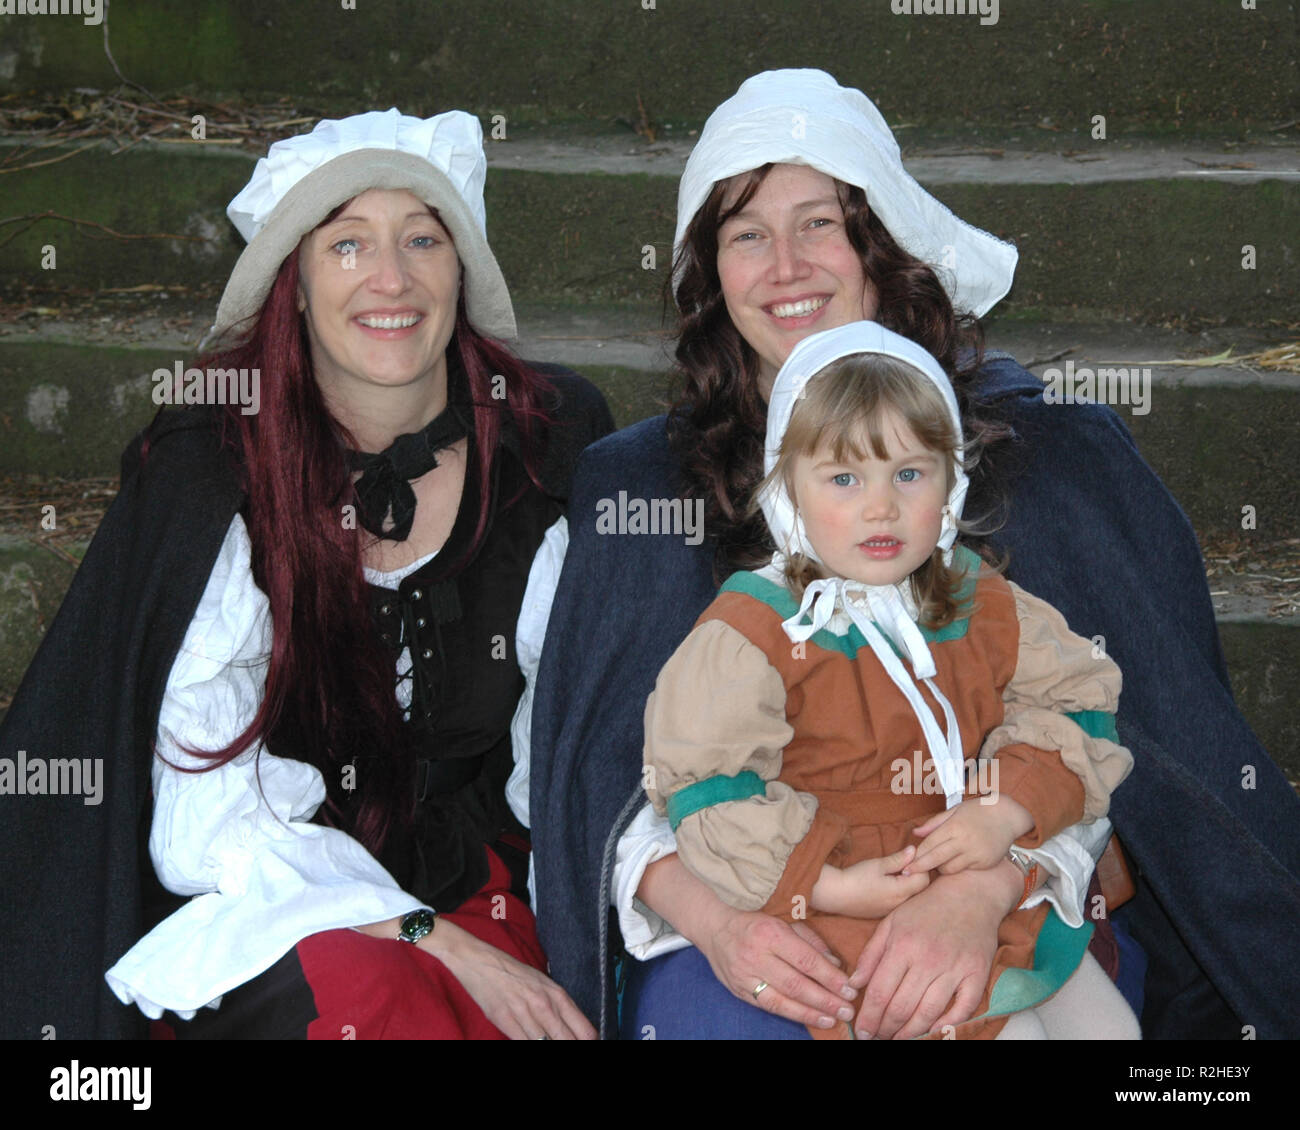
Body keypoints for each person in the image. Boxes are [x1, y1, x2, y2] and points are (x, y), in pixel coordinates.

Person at [526, 69, 1300, 1040]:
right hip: (747, 926)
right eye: (745, 234)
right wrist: (726, 922)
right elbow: (601, 779)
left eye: (819, 222)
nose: (785, 266)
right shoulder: (642, 484)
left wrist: (975, 892)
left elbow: (1125, 740)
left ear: (876, 240)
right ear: (709, 273)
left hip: (1018, 896)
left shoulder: (1041, 458)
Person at [0, 108, 610, 1040]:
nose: (392, 279)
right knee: (366, 994)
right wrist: (427, 936)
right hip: (275, 898)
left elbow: (582, 735)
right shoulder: (216, 466)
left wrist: (478, 926)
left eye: (422, 239)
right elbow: (213, 820)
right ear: (291, 283)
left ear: (463, 269)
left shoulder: (544, 444)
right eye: (347, 245)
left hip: (489, 881)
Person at [642, 320, 1138, 1039]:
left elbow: (1078, 707)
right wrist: (827, 884)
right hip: (847, 895)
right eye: (844, 478)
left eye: (909, 473)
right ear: (789, 492)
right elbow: (706, 787)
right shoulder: (751, 632)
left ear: (951, 481)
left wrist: (1004, 810)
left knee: (1112, 1033)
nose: (881, 506)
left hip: (978, 864)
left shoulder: (982, 599)